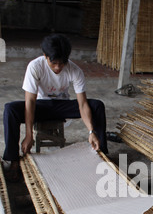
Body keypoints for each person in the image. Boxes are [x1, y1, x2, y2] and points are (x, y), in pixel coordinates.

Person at [2, 33, 107, 182]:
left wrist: (91, 131)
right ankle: (13, 160)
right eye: (54, 63)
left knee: (97, 106)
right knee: (10, 109)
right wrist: (29, 135)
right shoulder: (35, 66)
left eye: (62, 63)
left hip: (62, 105)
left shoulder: (75, 70)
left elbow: (82, 104)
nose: (58, 67)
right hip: (41, 106)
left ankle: (101, 153)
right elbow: (30, 101)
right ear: (45, 56)